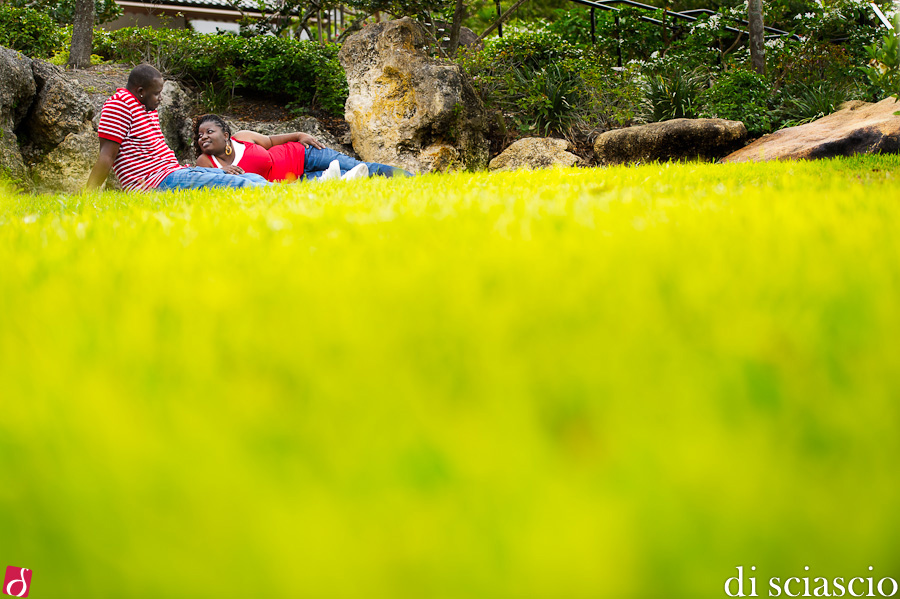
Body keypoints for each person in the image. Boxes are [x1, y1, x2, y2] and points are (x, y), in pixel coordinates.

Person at [86, 64, 270, 192]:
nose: (160, 98)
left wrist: (214, 170)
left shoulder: (146, 108)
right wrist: (88, 197)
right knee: (233, 184)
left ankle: (289, 192)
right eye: (156, 94)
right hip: (154, 183)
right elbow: (106, 155)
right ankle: (291, 199)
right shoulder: (119, 105)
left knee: (251, 178)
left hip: (174, 172)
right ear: (141, 91)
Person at [191, 114, 412, 183]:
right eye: (200, 135)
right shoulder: (206, 162)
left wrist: (299, 135)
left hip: (304, 154)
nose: (204, 137)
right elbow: (204, 178)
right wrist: (221, 172)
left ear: (226, 135)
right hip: (295, 180)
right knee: (352, 177)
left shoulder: (241, 138)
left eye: (209, 132)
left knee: (359, 166)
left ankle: (413, 180)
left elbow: (269, 140)